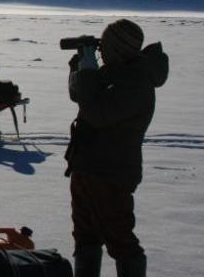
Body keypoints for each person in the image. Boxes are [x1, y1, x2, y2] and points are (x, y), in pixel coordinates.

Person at [65, 19, 168, 277]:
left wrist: (88, 70)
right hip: (87, 167)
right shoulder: (116, 73)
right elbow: (79, 95)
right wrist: (80, 65)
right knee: (86, 236)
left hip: (111, 173)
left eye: (104, 46)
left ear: (119, 49)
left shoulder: (136, 83)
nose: (101, 52)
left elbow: (95, 112)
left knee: (120, 240)